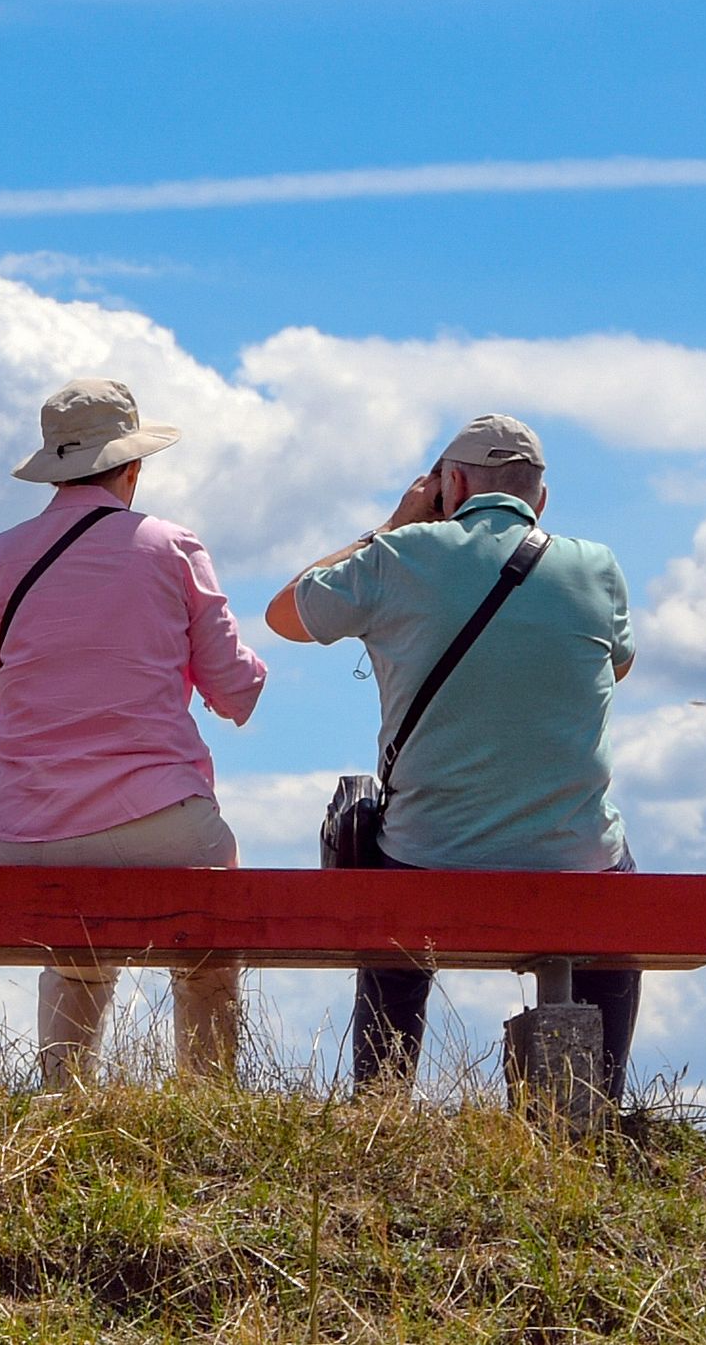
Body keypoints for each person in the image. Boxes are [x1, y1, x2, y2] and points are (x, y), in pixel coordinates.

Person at [263, 414, 639, 1101]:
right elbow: (618, 665)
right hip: (572, 857)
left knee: (383, 866)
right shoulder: (597, 566)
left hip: (428, 854)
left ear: (452, 484)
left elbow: (285, 612)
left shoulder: (400, 556)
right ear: (540, 499)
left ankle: (382, 1102)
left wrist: (395, 523)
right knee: (617, 879)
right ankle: (594, 1105)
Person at [0, 378, 268, 1090]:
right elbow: (236, 690)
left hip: (21, 835)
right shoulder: (170, 544)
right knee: (210, 932)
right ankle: (207, 1095)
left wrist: (40, 755)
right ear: (132, 467)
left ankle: (65, 1096)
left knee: (76, 947)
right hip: (158, 822)